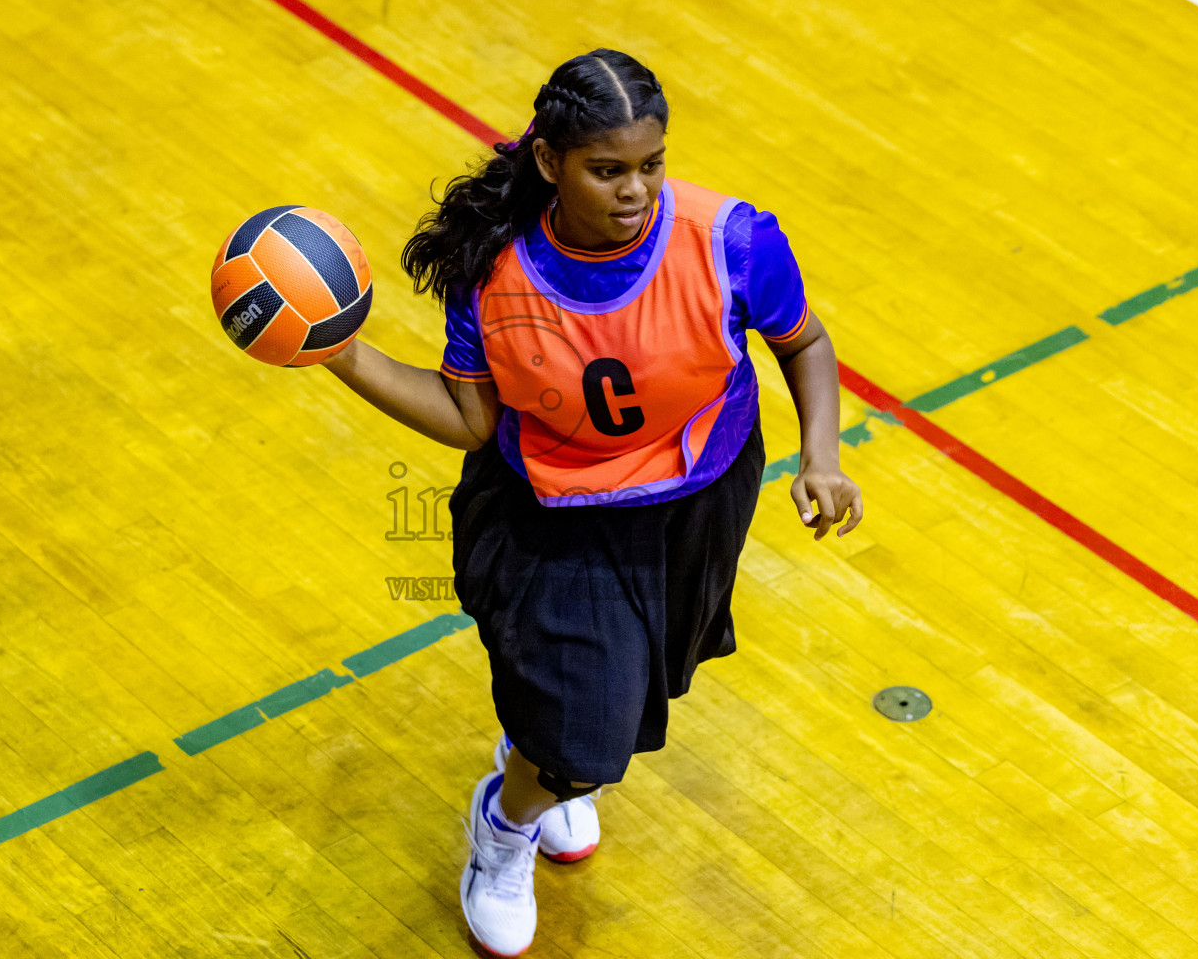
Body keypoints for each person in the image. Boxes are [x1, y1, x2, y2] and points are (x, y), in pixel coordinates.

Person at [322, 48, 862, 956]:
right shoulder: (495, 273)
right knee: (588, 740)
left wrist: (823, 454)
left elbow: (802, 341)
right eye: (606, 171)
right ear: (549, 163)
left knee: (637, 690)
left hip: (697, 495)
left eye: (649, 165)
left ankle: (539, 761)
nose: (635, 190)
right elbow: (468, 418)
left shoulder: (731, 240)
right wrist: (341, 352)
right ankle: (504, 825)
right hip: (553, 511)